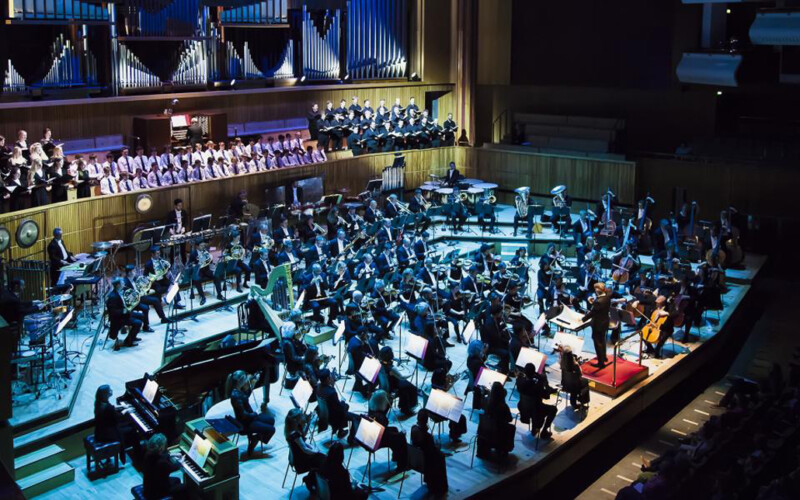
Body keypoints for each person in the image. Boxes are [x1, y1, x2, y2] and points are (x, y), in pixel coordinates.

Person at [228, 370, 276, 457]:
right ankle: (255, 439)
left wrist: (254, 382)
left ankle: (257, 437)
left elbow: (246, 396)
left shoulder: (239, 390)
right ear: (240, 381)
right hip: (245, 424)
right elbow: (244, 415)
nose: (247, 380)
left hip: (250, 418)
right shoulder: (235, 396)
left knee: (271, 420)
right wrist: (256, 413)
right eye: (245, 378)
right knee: (271, 429)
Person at [410, 410, 449, 496]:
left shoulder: (413, 429)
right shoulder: (428, 437)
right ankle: (439, 486)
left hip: (416, 460)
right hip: (426, 462)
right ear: (427, 420)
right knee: (441, 456)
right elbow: (432, 451)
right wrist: (438, 446)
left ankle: (429, 481)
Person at [517, 363, 557, 439]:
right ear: (534, 372)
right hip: (536, 410)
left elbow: (520, 378)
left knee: (534, 406)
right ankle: (544, 431)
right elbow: (546, 396)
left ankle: (534, 429)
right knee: (553, 409)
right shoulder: (537, 386)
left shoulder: (520, 382)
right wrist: (542, 381)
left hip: (524, 408)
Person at [476, 382, 515, 459]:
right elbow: (510, 419)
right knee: (511, 428)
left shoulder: (486, 401)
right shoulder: (503, 406)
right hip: (497, 432)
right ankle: (503, 449)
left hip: (485, 430)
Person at [142, 433, 186, 500]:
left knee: (177, 480)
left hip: (148, 487)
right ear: (161, 447)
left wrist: (173, 454)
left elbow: (161, 456)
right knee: (184, 487)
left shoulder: (148, 454)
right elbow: (174, 467)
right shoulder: (161, 463)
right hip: (156, 493)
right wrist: (181, 461)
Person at [94, 385, 130, 465]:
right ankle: (126, 454)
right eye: (109, 390)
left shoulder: (98, 403)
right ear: (105, 394)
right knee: (131, 430)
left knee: (125, 427)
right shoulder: (108, 408)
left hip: (99, 432)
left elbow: (111, 409)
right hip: (107, 435)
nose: (111, 391)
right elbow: (118, 417)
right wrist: (126, 410)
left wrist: (122, 406)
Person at [582, 282, 611, 367]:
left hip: (598, 324)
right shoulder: (607, 297)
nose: (595, 290)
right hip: (605, 322)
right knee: (602, 340)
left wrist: (583, 319)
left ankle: (600, 363)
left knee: (597, 343)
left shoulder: (599, 301)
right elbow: (599, 308)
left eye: (596, 289)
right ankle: (604, 357)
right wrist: (593, 302)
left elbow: (593, 312)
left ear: (598, 290)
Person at [560, 346, 590, 410]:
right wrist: (577, 363)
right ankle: (582, 401)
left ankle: (573, 403)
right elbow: (580, 374)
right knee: (586, 382)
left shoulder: (562, 363)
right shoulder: (575, 365)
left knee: (573, 384)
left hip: (566, 385)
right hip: (575, 387)